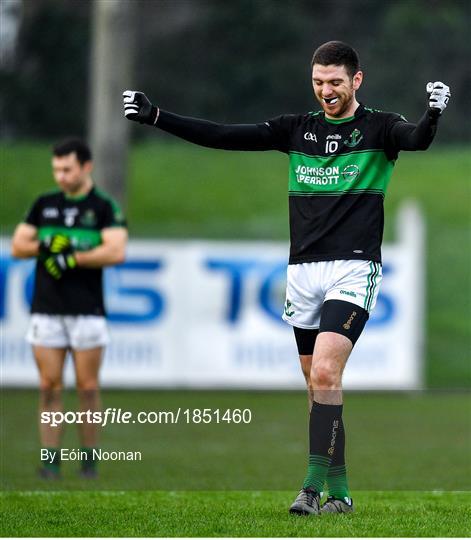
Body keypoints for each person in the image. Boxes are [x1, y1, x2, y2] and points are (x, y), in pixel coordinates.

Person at [122, 41, 450, 514]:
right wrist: (157, 117)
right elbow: (223, 135)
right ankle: (341, 493)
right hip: (303, 273)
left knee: (324, 372)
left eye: (335, 82)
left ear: (357, 81)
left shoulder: (380, 128)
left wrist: (433, 114)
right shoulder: (298, 130)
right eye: (318, 82)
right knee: (319, 389)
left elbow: (417, 139)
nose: (326, 91)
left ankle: (311, 489)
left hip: (354, 267)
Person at [11, 138, 128, 479]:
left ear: (86, 167)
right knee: (48, 386)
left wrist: (71, 256)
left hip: (87, 310)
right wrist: (48, 244)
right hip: (46, 310)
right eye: (56, 169)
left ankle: (89, 461)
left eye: (67, 169)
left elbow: (115, 251)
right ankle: (50, 461)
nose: (60, 176)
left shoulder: (103, 207)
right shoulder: (44, 204)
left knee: (87, 387)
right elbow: (19, 245)